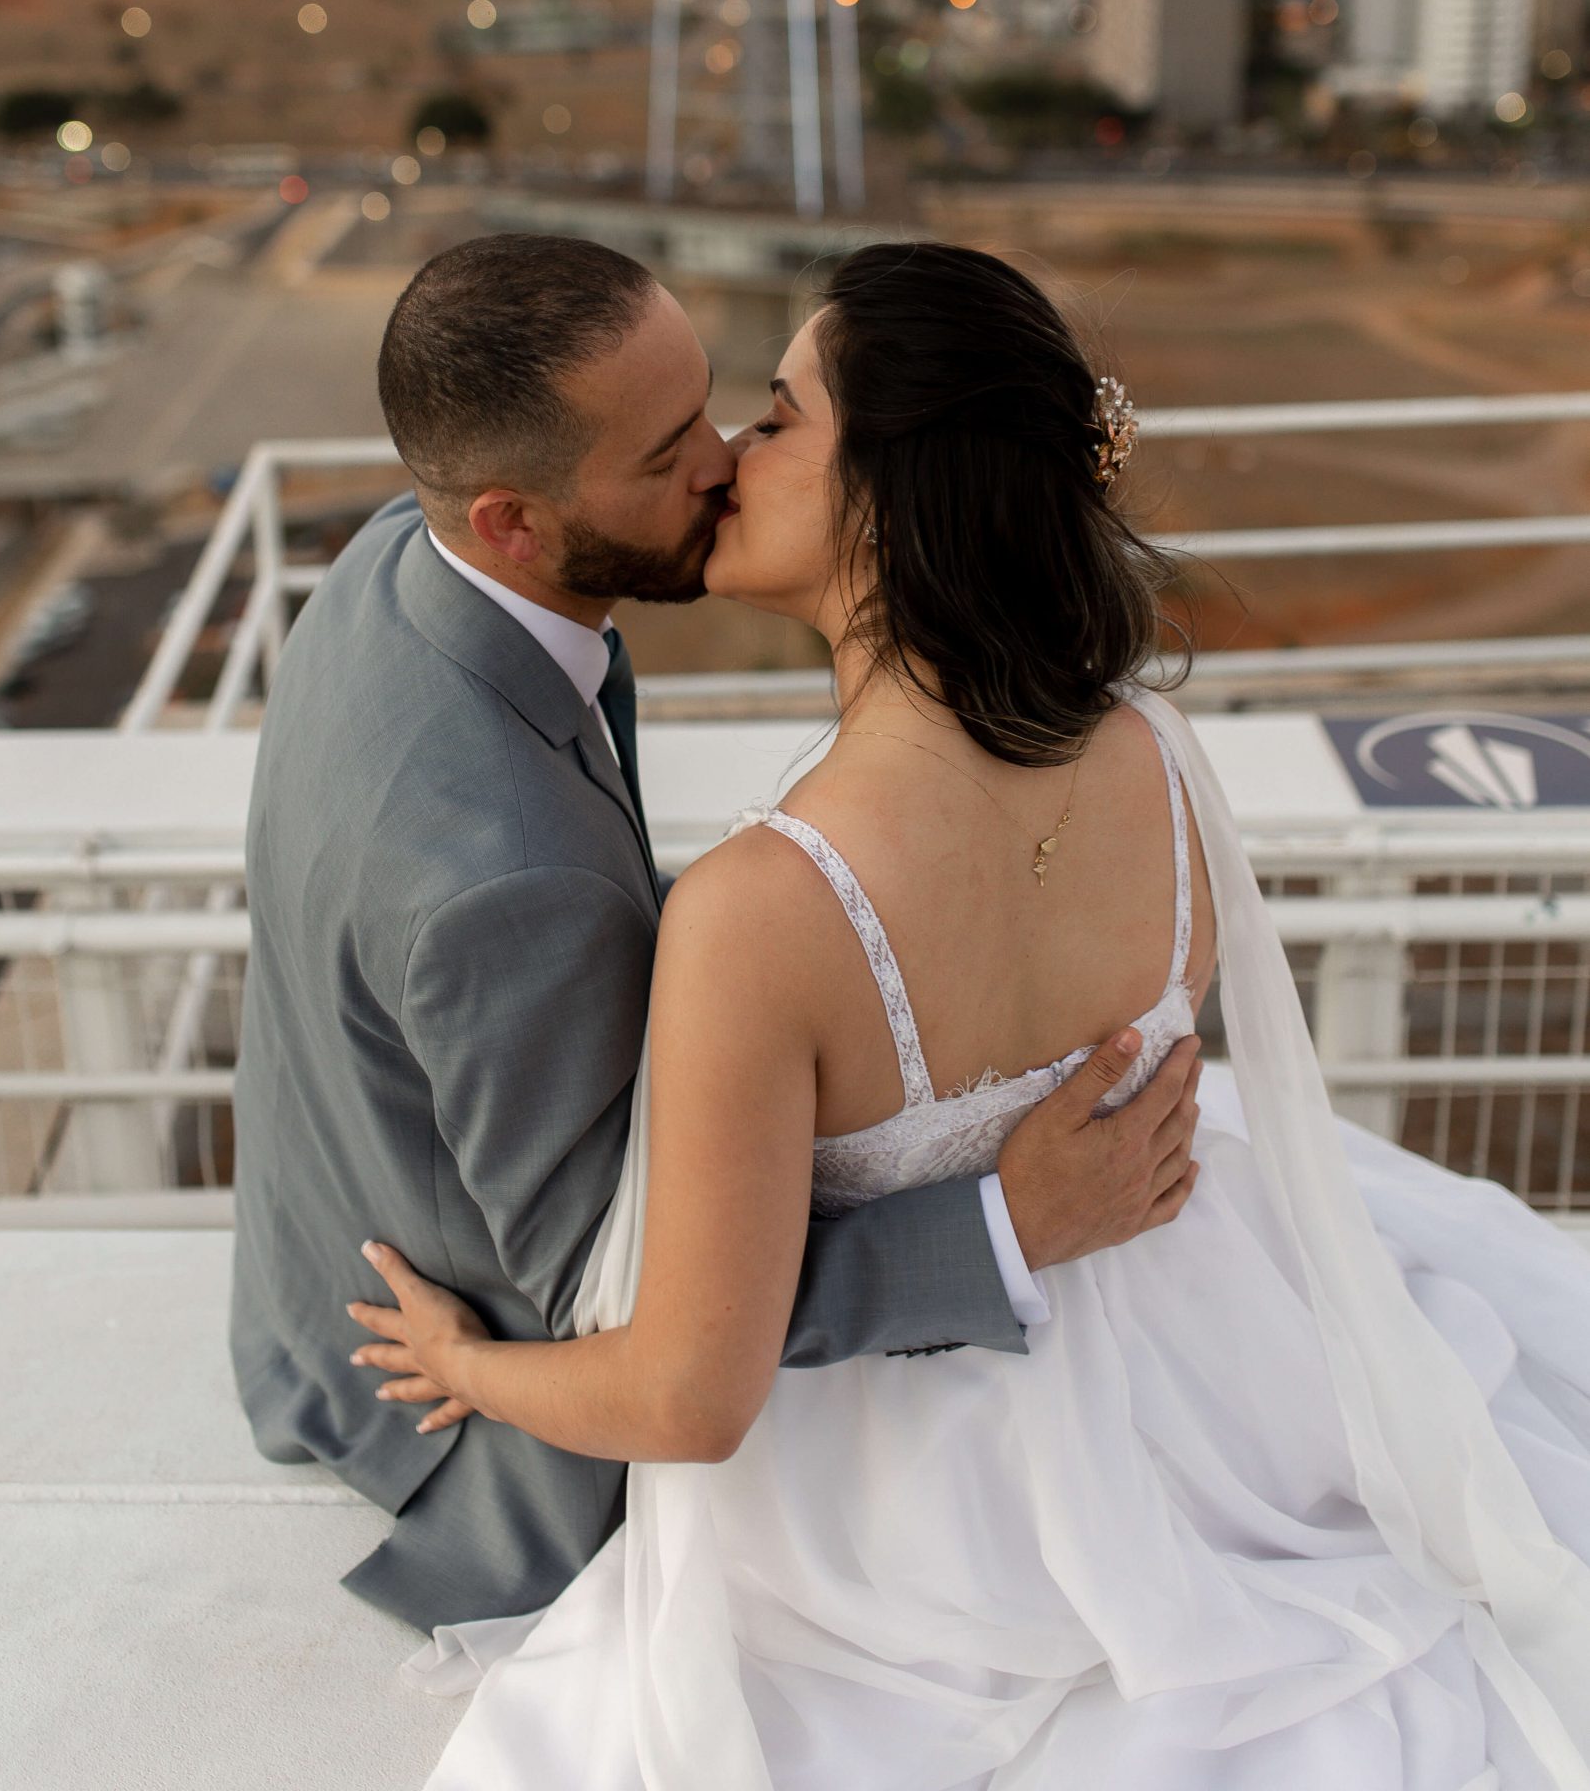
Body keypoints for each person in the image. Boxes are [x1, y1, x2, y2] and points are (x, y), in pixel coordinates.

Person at [349, 239, 1590, 1788]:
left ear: (886, 496)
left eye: (779, 417)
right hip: (1201, 1397)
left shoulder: (760, 912)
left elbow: (685, 1394)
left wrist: (465, 1367)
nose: (731, 457)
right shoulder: (1155, 755)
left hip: (918, 1525)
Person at [230, 233, 1199, 1636]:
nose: (724, 459)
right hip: (468, 1416)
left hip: (309, 1260)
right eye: (667, 450)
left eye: (733, 410)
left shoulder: (402, 557)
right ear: (512, 521)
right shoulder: (518, 879)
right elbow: (637, 1324)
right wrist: (1004, 1226)